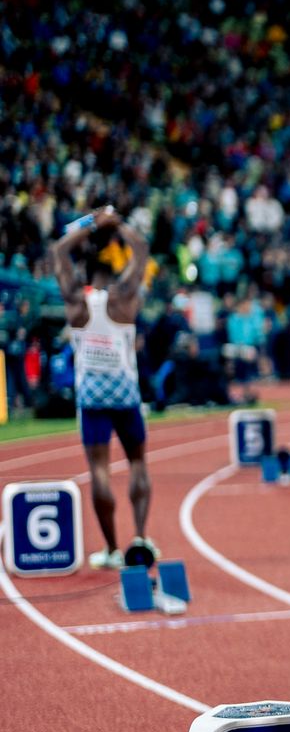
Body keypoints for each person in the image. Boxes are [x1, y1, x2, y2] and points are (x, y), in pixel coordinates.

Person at [49, 207, 156, 569]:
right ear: (113, 274)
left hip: (91, 397)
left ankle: (111, 549)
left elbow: (58, 252)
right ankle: (140, 538)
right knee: (138, 462)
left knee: (99, 470)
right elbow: (140, 248)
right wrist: (116, 222)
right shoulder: (125, 298)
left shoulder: (76, 302)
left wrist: (89, 224)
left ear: (87, 276)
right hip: (125, 393)